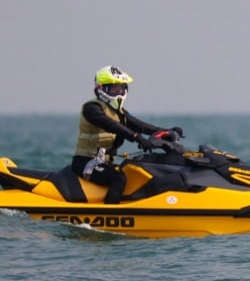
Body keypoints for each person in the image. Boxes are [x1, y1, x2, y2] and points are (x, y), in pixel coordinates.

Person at [72, 66, 183, 204]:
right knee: (118, 178)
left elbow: (140, 125)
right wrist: (137, 138)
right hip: (86, 163)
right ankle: (110, 214)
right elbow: (112, 125)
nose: (119, 92)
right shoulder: (92, 108)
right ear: (101, 88)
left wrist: (166, 131)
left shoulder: (118, 111)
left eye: (121, 88)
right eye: (114, 88)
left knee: (133, 173)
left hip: (103, 162)